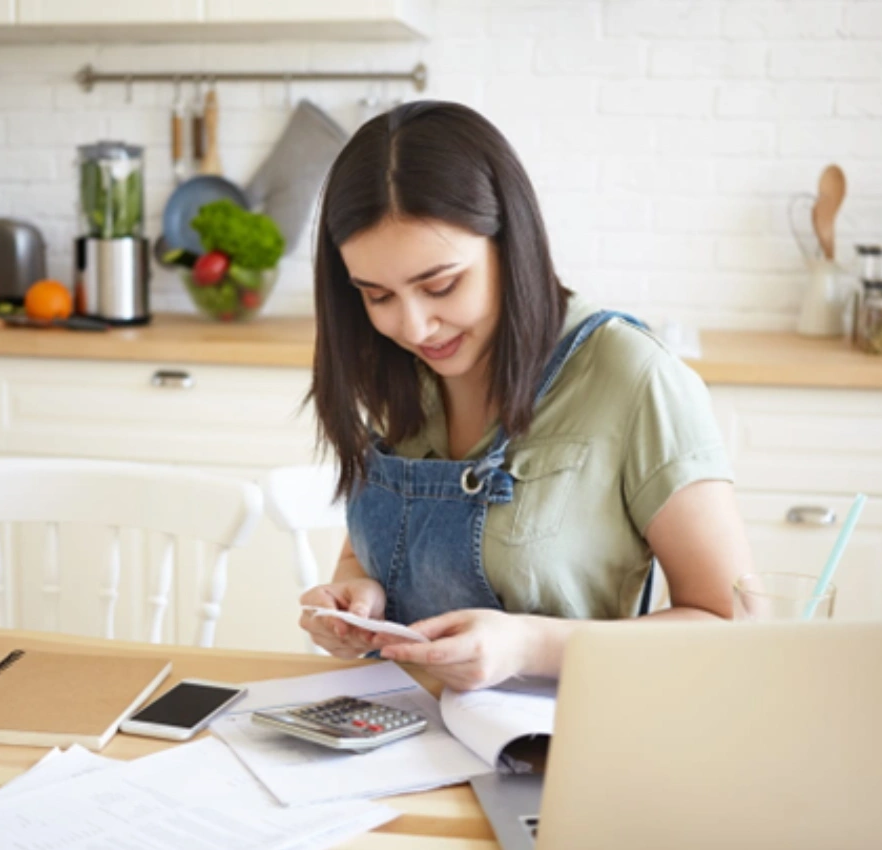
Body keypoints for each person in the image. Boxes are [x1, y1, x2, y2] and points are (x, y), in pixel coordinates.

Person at [298, 101, 753, 691]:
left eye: (441, 285)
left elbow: (732, 624)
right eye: (377, 296)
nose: (413, 327)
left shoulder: (633, 376)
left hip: (563, 734)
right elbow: (367, 552)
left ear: (510, 243)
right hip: (392, 727)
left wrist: (529, 646)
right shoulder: (397, 367)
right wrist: (356, 597)